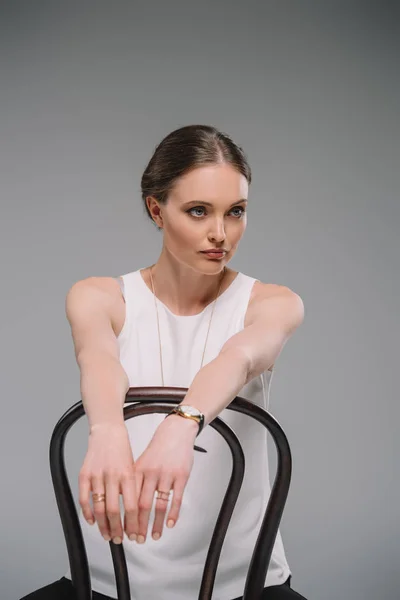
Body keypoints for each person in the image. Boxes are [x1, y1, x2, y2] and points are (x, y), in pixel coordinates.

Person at [21, 125, 307, 600]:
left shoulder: (273, 302)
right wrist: (108, 429)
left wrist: (182, 424)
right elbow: (98, 358)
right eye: (199, 212)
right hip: (105, 585)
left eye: (235, 212)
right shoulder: (100, 295)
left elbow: (237, 358)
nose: (221, 233)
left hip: (243, 586)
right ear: (156, 209)